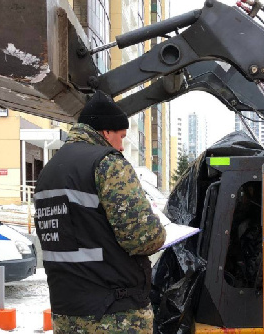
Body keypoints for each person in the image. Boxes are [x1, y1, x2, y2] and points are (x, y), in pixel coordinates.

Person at [34, 90, 166, 334]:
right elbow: (144, 237)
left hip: (66, 314)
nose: (122, 147)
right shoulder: (107, 163)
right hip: (113, 315)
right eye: (121, 137)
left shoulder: (48, 171)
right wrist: (163, 234)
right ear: (106, 132)